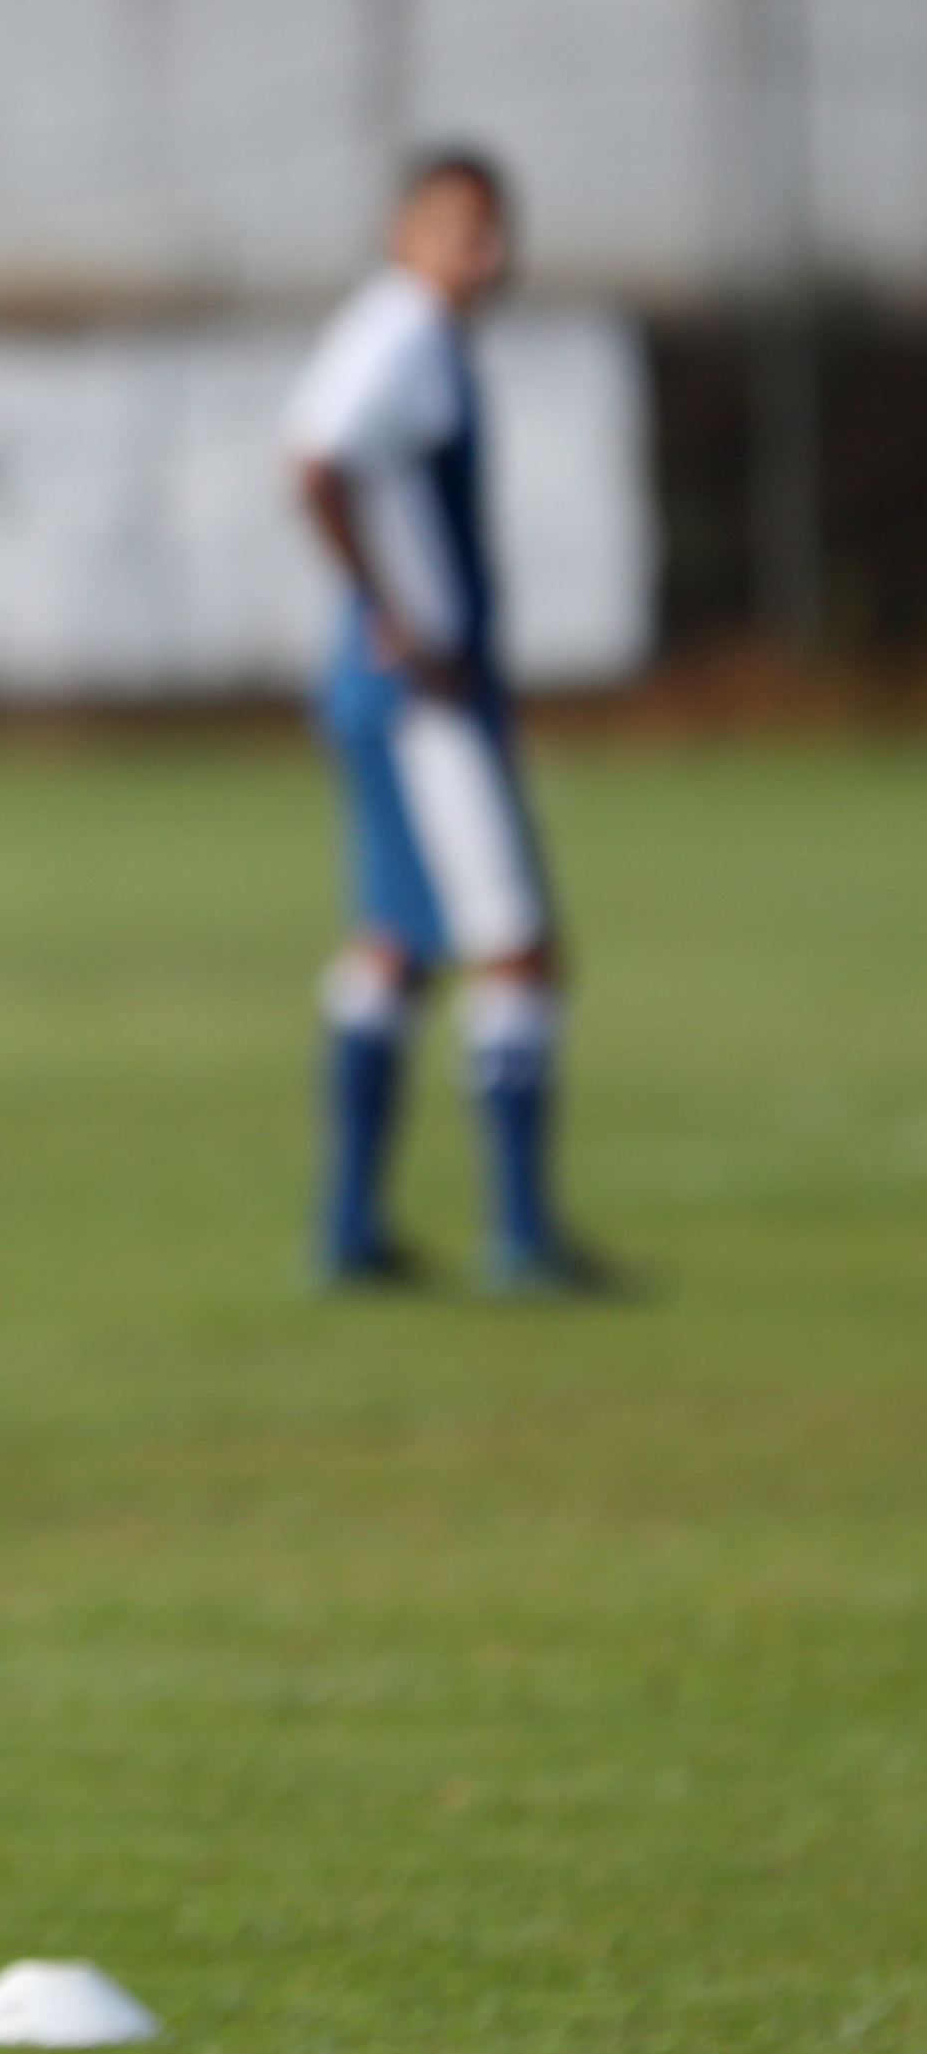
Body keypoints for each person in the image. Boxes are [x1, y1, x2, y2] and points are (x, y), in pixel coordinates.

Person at [287, 149, 609, 1292]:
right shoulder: (408, 334)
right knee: (513, 943)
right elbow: (317, 461)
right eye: (463, 226)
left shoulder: (391, 325)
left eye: (496, 226)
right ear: (404, 232)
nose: (491, 250)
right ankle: (519, 1234)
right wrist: (391, 611)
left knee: (390, 941)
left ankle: (344, 1230)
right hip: (420, 690)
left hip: (376, 686)